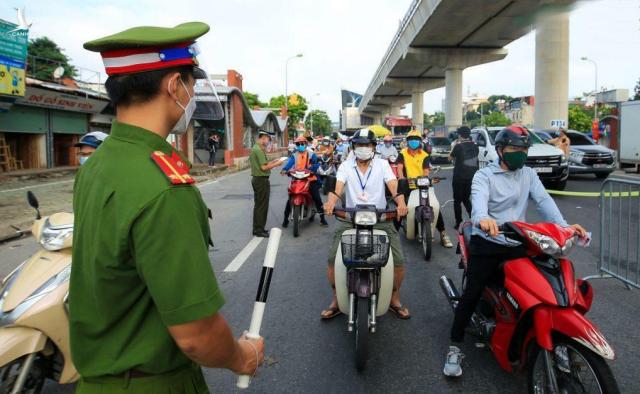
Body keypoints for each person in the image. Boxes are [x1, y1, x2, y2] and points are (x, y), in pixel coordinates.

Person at [72, 22, 264, 393]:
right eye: (191, 85)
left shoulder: (96, 163)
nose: (192, 95)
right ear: (174, 86)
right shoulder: (163, 184)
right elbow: (197, 336)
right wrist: (245, 357)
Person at [443, 125, 587, 377]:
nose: (520, 154)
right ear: (500, 150)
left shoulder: (528, 174)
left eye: (524, 149)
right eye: (514, 149)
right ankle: (455, 346)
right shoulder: (484, 176)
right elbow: (478, 203)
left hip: (519, 241)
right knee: (472, 293)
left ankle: (554, 339)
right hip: (488, 241)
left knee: (545, 286)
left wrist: (564, 227)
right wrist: (483, 219)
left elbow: (543, 201)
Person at [322, 129, 411, 319]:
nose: (363, 148)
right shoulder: (346, 166)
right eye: (359, 145)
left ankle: (394, 298)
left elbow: (393, 185)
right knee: (332, 260)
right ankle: (337, 299)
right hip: (350, 218)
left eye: (367, 145)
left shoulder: (383, 164)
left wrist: (401, 203)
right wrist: (330, 203)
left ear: (374, 147)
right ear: (353, 147)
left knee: (399, 261)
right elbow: (338, 187)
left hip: (379, 218)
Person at [397, 130, 453, 248]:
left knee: (433, 206)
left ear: (420, 142)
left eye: (416, 139)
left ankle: (443, 234)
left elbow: (426, 171)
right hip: (407, 184)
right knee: (402, 207)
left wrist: (427, 180)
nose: (414, 142)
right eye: (411, 139)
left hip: (422, 183)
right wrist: (402, 178)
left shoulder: (424, 155)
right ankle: (394, 235)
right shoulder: (402, 153)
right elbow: (400, 168)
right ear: (407, 142)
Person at [281, 136, 328, 227]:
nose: (300, 145)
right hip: (297, 178)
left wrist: (312, 169)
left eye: (302, 143)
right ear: (296, 145)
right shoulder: (294, 155)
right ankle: (285, 219)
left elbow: (316, 164)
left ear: (306, 144)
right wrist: (284, 169)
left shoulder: (311, 154)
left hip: (310, 178)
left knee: (316, 197)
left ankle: (322, 219)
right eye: (298, 144)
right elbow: (289, 164)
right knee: (291, 197)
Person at [250, 129, 284, 237]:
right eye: (268, 140)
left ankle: (257, 229)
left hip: (258, 179)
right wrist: (277, 163)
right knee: (262, 206)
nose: (268, 142)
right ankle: (259, 230)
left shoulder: (257, 148)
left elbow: (264, 163)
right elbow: (264, 167)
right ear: (263, 138)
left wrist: (273, 162)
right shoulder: (258, 150)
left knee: (259, 205)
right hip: (261, 180)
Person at [448, 126, 479, 229]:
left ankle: (458, 223)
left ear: (460, 135)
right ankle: (473, 218)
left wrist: (454, 146)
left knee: (457, 200)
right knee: (466, 198)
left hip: (459, 176)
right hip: (471, 176)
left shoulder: (458, 146)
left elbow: (450, 158)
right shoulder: (475, 146)